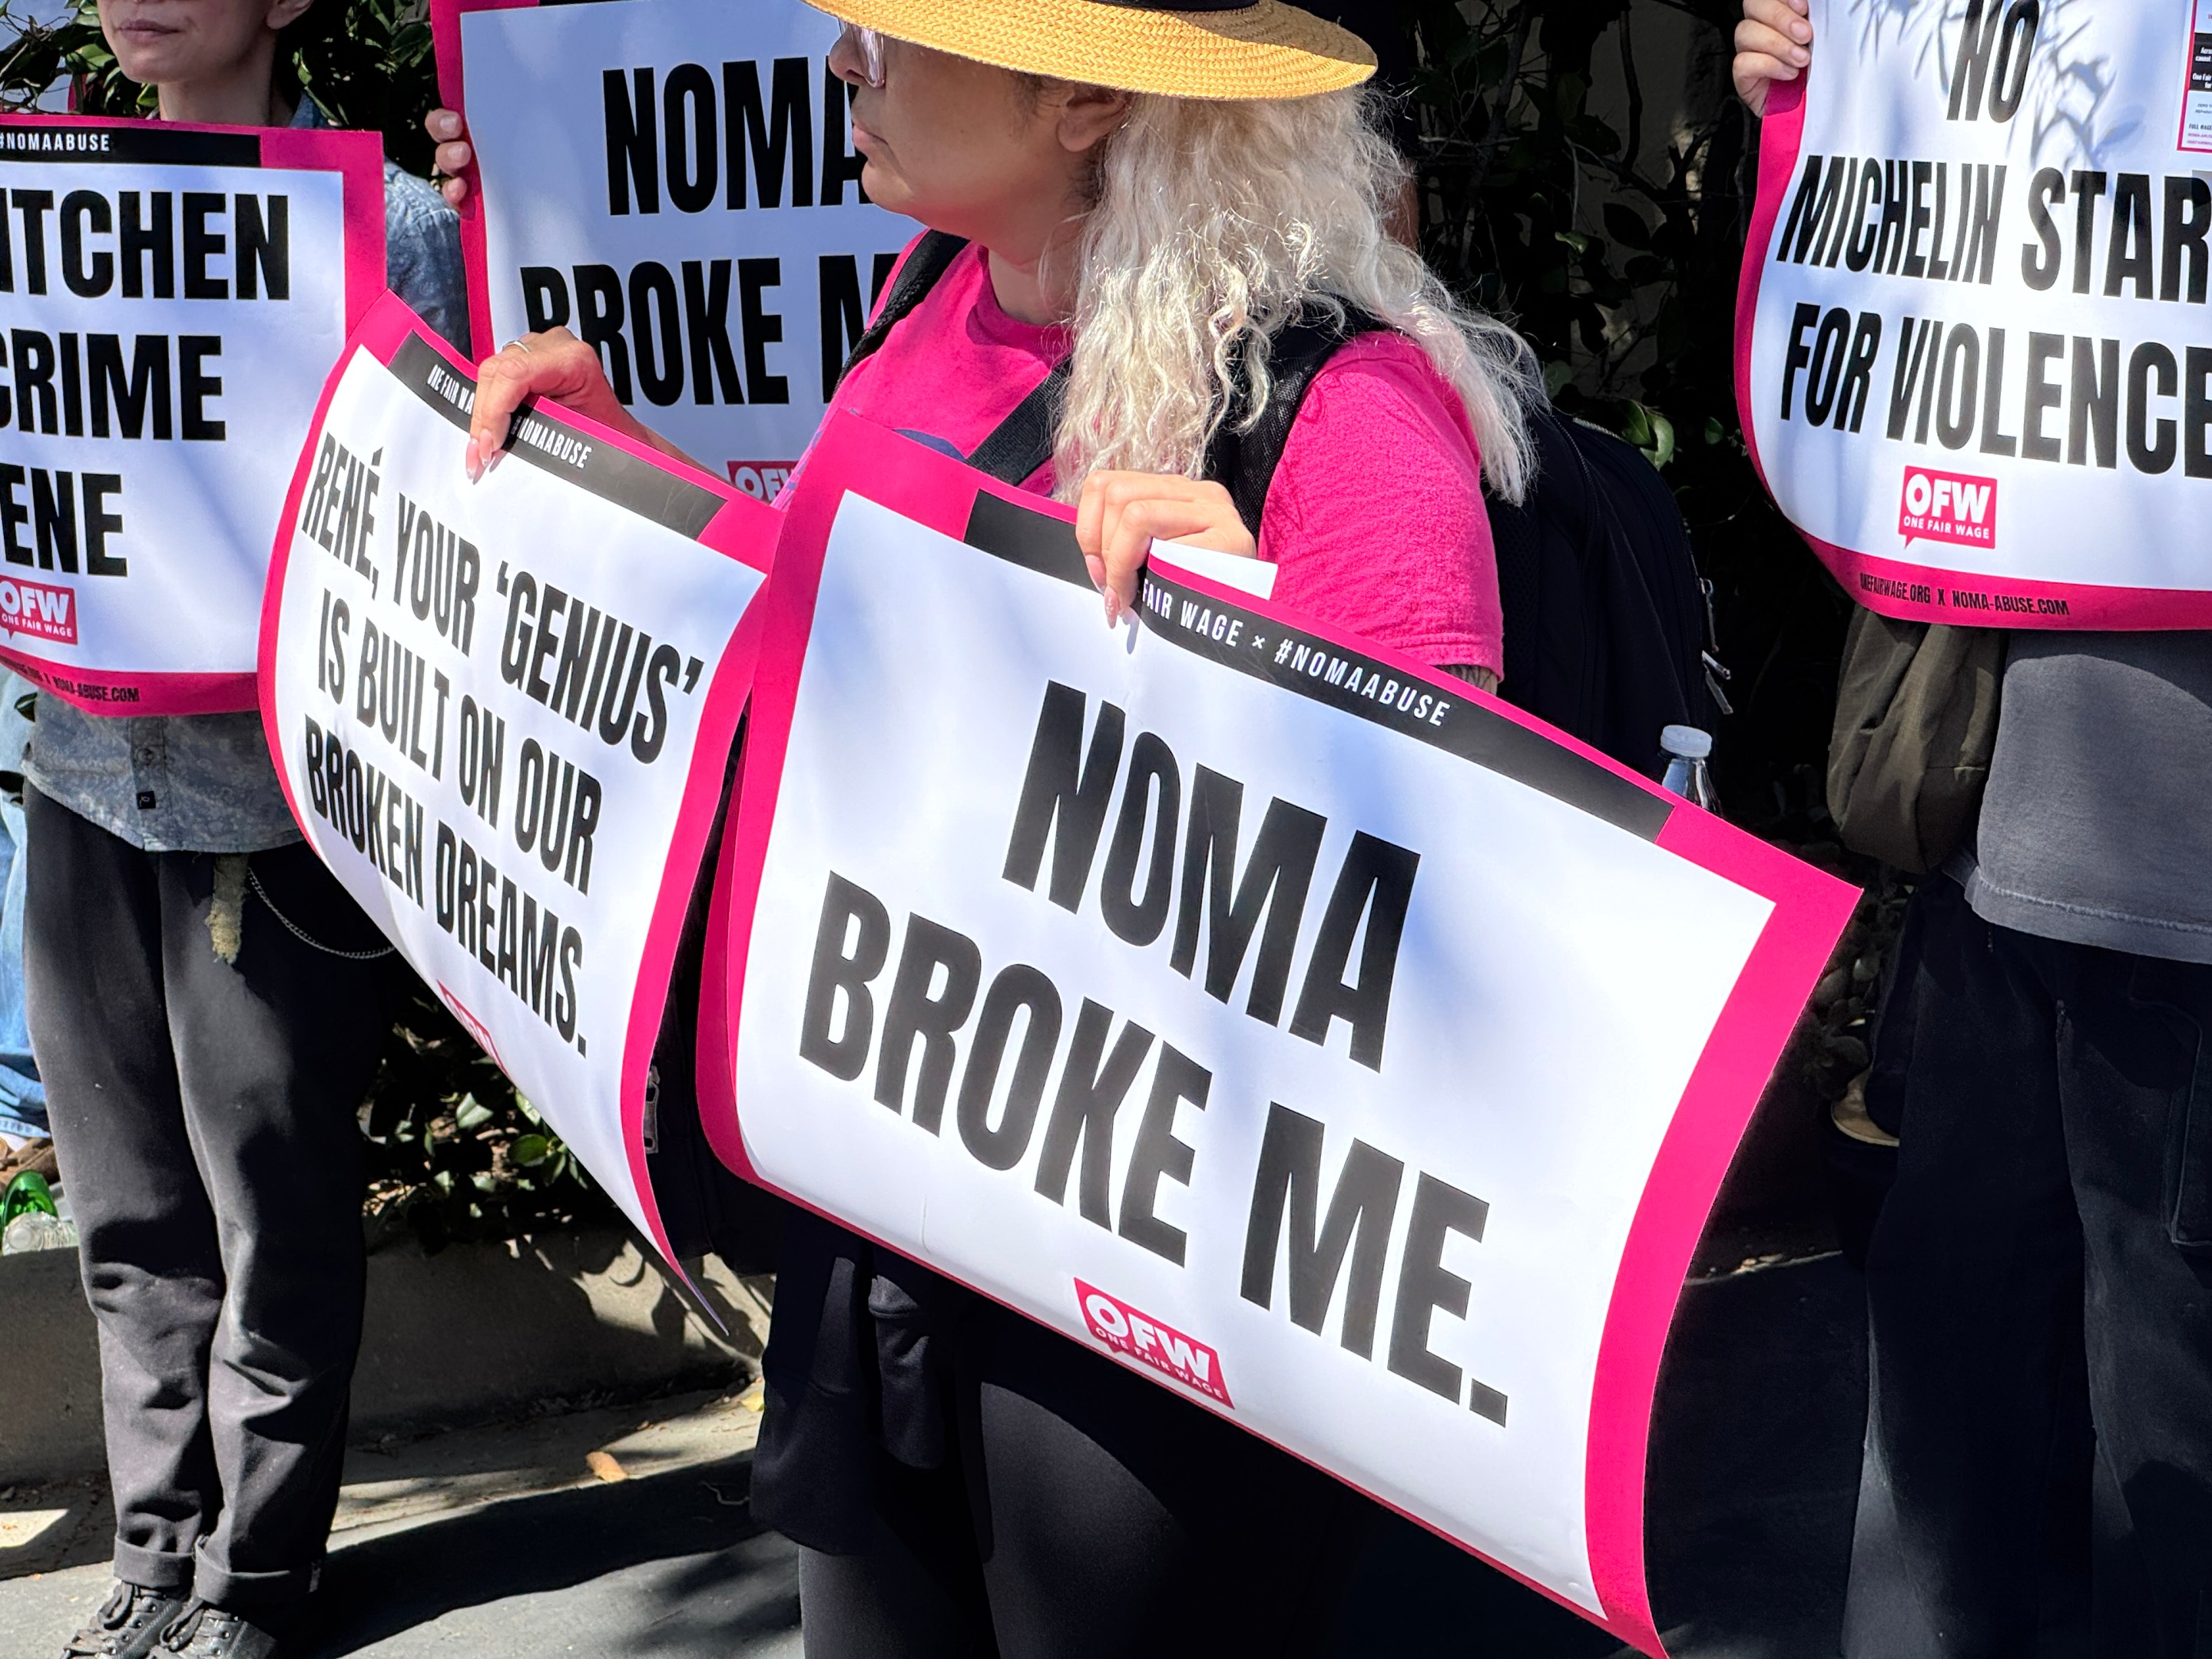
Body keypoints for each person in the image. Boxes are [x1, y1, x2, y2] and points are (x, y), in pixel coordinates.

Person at [428, 0, 1534, 1649]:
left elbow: (1454, 910)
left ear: (1083, 94)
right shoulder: (930, 293)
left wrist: (1256, 662)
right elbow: (840, 655)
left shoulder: (1348, 410)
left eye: (892, 27)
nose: (844, 61)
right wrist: (625, 474)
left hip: (1149, 1332)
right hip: (884, 1232)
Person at [1737, 5, 2212, 1655]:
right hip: (1992, 869)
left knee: (2174, 1481)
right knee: (1952, 1474)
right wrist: (1828, 114)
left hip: (2181, 909)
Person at [36, 1, 470, 1654]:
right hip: (81, 779)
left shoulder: (392, 227)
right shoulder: (44, 211)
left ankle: (259, 1577)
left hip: (269, 813)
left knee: (270, 1210)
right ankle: (156, 1560)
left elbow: (442, 507)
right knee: (124, 1210)